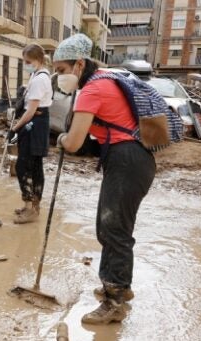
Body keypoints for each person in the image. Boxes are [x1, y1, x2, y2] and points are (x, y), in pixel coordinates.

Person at [54, 34, 155, 325]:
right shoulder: (104, 80)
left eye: (62, 70)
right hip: (131, 159)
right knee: (108, 226)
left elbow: (73, 142)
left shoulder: (93, 89)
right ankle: (116, 284)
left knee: (114, 230)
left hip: (127, 161)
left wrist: (61, 138)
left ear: (80, 64)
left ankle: (115, 301)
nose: (60, 76)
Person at [10, 44, 53, 224]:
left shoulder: (40, 79)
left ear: (39, 60)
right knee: (31, 165)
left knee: (26, 166)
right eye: (24, 61)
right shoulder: (36, 75)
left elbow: (31, 111)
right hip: (34, 121)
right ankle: (31, 205)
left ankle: (32, 207)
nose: (26, 64)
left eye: (28, 61)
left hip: (35, 124)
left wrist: (15, 128)